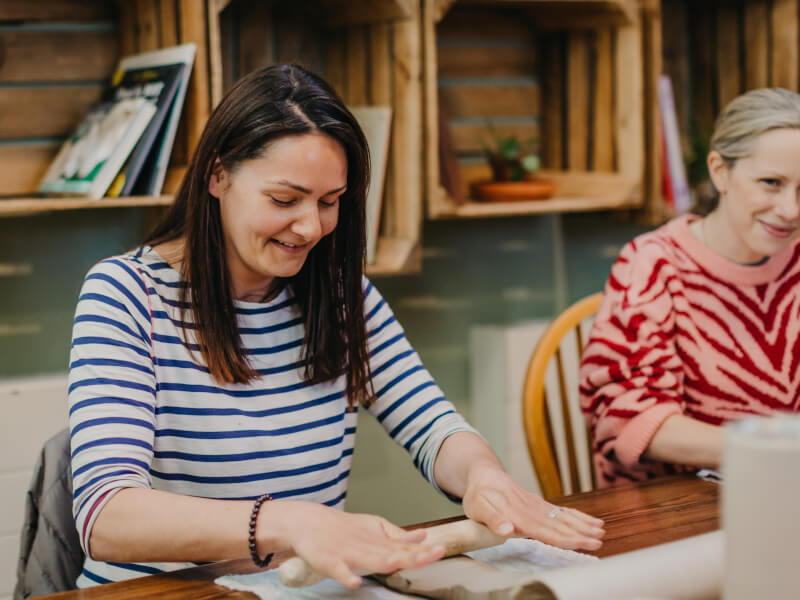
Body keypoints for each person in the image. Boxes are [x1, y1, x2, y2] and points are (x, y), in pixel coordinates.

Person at [68, 64, 604, 589]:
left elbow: (435, 429)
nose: (310, 227)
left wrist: (484, 477)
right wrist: (290, 523)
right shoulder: (127, 295)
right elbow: (107, 515)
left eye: (330, 203)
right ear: (217, 174)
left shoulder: (341, 296)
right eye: (284, 200)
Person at [580, 87, 800, 487]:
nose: (790, 210)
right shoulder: (652, 266)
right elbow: (630, 418)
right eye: (771, 182)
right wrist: (775, 449)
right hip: (675, 511)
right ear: (720, 171)